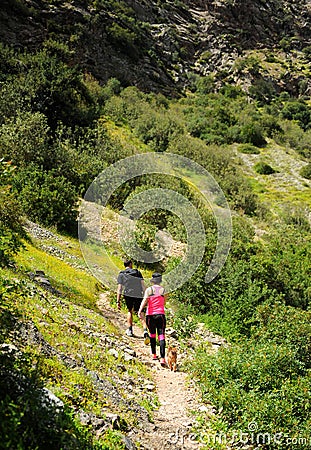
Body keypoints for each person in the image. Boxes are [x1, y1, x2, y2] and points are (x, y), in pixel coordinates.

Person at [117, 260, 150, 344]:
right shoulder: (137, 272)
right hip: (138, 293)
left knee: (129, 311)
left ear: (125, 265)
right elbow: (143, 286)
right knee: (141, 313)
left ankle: (130, 330)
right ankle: (145, 331)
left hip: (128, 294)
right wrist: (147, 298)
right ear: (131, 264)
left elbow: (119, 288)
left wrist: (118, 301)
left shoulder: (121, 274)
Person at [138, 272, 167, 367]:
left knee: (153, 335)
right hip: (161, 315)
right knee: (161, 336)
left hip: (150, 315)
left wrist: (140, 310)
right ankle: (162, 358)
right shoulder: (163, 290)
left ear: (152, 281)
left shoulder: (149, 290)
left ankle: (154, 354)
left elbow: (145, 300)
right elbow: (164, 303)